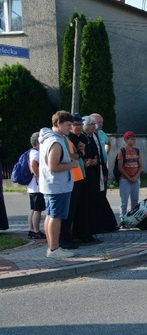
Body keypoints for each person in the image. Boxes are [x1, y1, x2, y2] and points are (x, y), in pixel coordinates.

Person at [38, 111, 80, 258]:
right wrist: (72, 164)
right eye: (68, 125)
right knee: (56, 217)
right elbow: (53, 167)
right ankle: (54, 249)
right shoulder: (55, 142)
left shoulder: (48, 138)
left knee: (50, 216)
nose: (70, 128)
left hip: (51, 185)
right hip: (58, 185)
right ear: (58, 124)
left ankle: (52, 247)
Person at [73, 116, 117, 242]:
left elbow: (98, 153)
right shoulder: (80, 138)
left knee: (96, 200)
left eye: (95, 124)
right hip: (84, 176)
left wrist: (98, 164)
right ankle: (86, 232)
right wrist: (89, 161)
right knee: (86, 204)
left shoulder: (94, 135)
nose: (95, 126)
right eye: (92, 124)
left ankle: (95, 228)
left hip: (96, 172)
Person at [59, 113, 86, 250]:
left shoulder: (66, 139)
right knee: (67, 212)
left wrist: (80, 152)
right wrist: (80, 153)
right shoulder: (63, 139)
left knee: (72, 211)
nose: (71, 128)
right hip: (71, 179)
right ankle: (64, 238)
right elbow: (69, 157)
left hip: (76, 177)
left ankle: (68, 237)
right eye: (70, 125)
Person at [116, 131, 143, 222]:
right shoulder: (122, 151)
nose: (134, 141)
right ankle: (123, 219)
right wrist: (129, 178)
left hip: (136, 178)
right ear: (126, 140)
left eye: (135, 139)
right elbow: (120, 167)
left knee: (135, 200)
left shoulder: (137, 151)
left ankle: (133, 219)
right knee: (124, 201)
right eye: (132, 139)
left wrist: (136, 177)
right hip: (125, 179)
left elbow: (141, 166)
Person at [26, 132, 46, 239]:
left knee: (34, 209)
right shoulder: (36, 153)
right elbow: (33, 164)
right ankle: (36, 231)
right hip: (37, 186)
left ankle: (31, 229)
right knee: (38, 209)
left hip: (32, 186)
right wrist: (39, 176)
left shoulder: (31, 152)